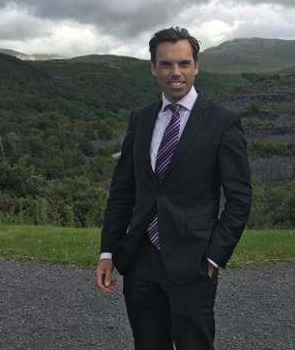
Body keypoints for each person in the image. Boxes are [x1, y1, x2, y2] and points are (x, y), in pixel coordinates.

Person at [95, 26, 252, 350]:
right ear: (154, 68)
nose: (175, 72)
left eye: (183, 63)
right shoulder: (140, 119)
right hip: (140, 259)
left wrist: (213, 257)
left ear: (196, 66)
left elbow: (239, 199)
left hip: (194, 261)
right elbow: (122, 191)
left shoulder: (223, 122)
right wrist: (108, 251)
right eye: (166, 64)